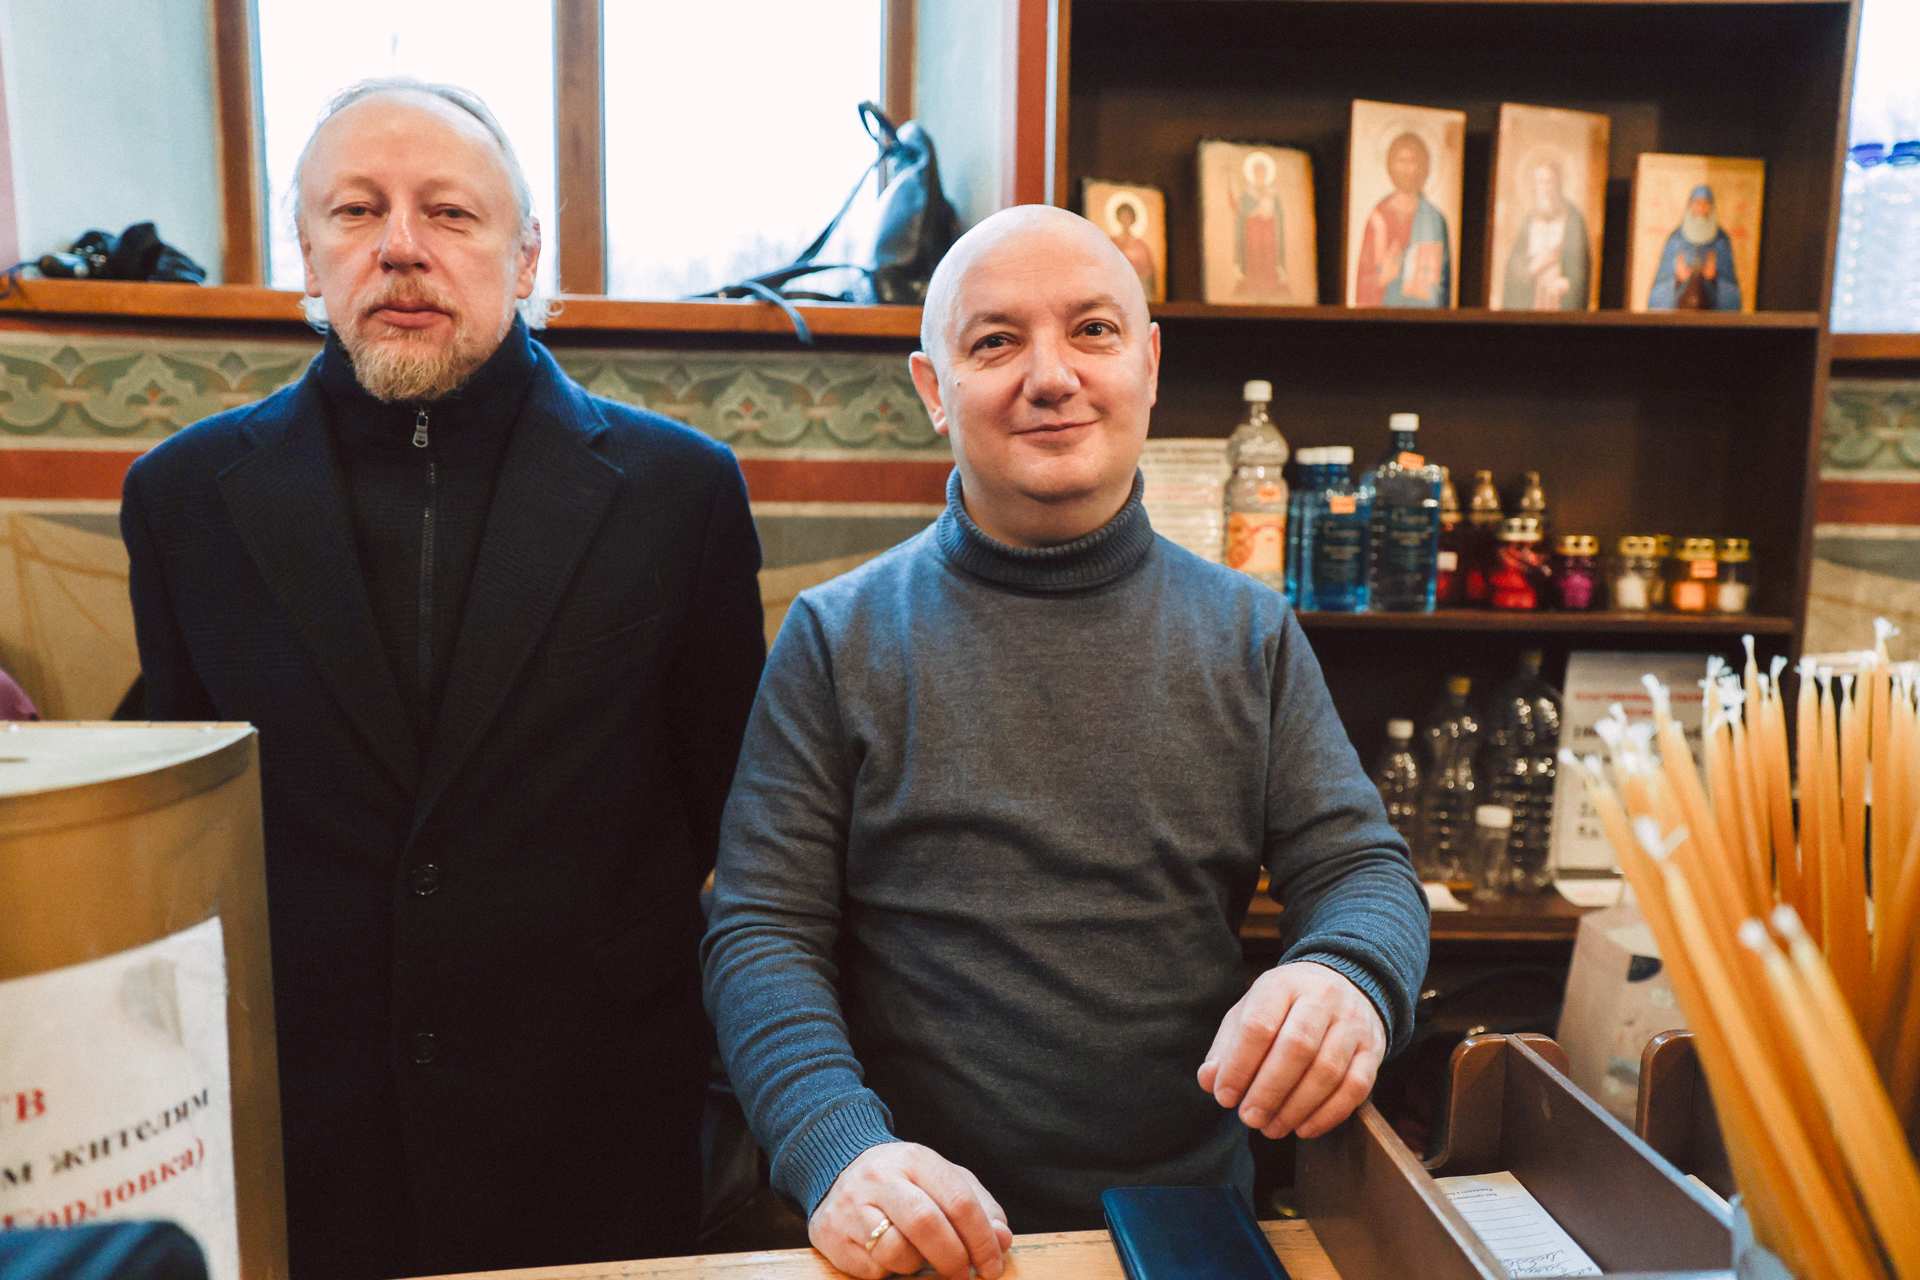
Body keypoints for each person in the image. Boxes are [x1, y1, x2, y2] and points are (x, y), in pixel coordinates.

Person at [702, 205, 1428, 1280]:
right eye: (996, 341)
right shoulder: (836, 638)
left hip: (1185, 1226)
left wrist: (1349, 974)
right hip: (918, 1227)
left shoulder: (1250, 632)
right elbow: (762, 931)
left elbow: (1362, 869)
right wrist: (837, 1147)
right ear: (933, 389)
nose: (1051, 376)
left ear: (1149, 364)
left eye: (1092, 330)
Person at [120, 79, 764, 1279]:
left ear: (526, 257)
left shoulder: (680, 494)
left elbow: (732, 811)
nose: (402, 246)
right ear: (308, 253)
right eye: (357, 210)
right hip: (304, 1135)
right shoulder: (183, 500)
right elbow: (189, 832)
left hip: (595, 1129)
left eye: (451, 213)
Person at [1354, 132, 1450, 308]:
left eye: (1413, 161)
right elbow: (1362, 282)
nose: (1407, 169)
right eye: (1401, 161)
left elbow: (1443, 286)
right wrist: (1382, 276)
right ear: (1391, 165)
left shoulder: (1434, 219)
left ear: (1423, 167)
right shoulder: (1378, 218)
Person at [1500, 159, 1590, 311]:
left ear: (1559, 184)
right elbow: (1513, 271)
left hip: (1559, 302)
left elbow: (1579, 271)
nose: (1545, 188)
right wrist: (1532, 268)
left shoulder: (1573, 219)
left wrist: (1566, 284)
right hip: (1530, 299)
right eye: (1540, 182)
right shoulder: (1528, 220)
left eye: (1549, 182)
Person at [1649, 184, 1742, 310]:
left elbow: (1730, 284)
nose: (1701, 207)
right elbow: (1660, 285)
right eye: (1697, 203)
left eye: (1706, 203)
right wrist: (1677, 279)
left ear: (1711, 206)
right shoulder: (1676, 239)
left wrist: (1714, 278)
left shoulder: (1721, 239)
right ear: (1690, 205)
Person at [1234, 150, 1290, 301]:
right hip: (1252, 233)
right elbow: (1241, 215)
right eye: (1257, 172)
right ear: (1253, 174)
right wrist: (1255, 210)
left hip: (1269, 233)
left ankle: (1270, 288)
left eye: (1262, 172)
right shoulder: (1247, 194)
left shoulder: (1273, 194)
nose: (1260, 175)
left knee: (1268, 259)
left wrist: (1269, 212)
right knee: (1254, 259)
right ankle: (1252, 288)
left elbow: (1279, 216)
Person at [1104, 194, 1158, 300]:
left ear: (1133, 219)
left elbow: (1148, 276)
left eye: (1128, 217)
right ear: (1118, 218)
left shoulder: (1141, 247)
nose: (1126, 220)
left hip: (1137, 292)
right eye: (1123, 216)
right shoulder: (1110, 243)